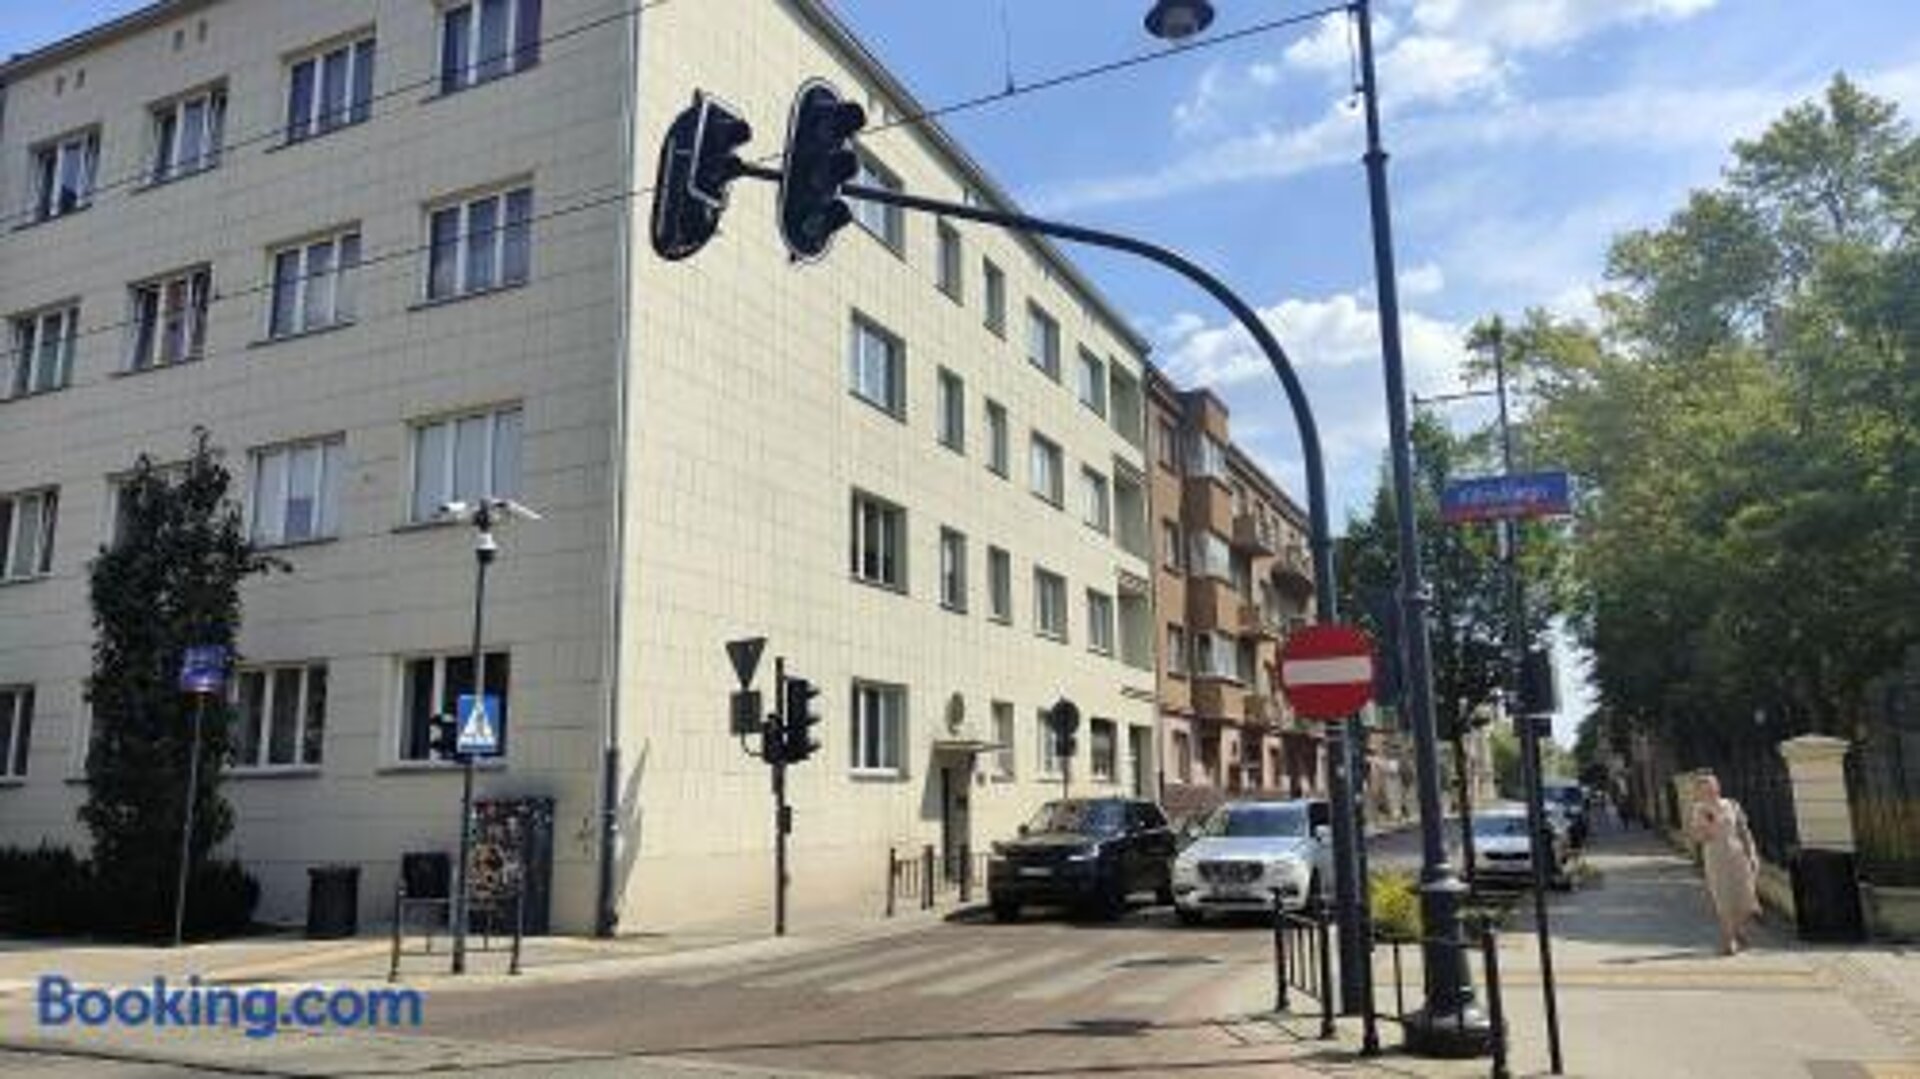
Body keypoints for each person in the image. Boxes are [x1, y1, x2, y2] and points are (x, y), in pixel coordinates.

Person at [1686, 773, 1761, 955]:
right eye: (1703, 789)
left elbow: (1744, 831)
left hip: (1737, 854)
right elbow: (1697, 837)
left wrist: (1752, 853)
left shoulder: (1732, 805)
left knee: (1746, 897)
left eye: (1711, 787)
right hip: (1715, 856)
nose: (1709, 792)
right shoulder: (1698, 810)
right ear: (1699, 792)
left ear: (1717, 787)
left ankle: (1738, 929)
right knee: (1723, 898)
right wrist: (1707, 826)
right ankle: (1729, 940)